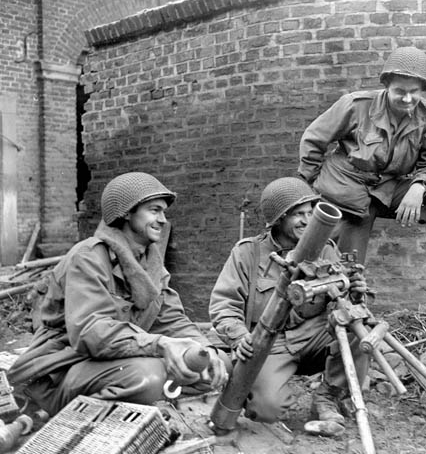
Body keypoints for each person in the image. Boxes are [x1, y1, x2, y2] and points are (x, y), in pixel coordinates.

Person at [8, 172, 229, 416]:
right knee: (148, 377)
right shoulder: (88, 257)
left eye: (163, 212)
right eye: (154, 210)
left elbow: (172, 320)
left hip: (111, 364)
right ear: (126, 212)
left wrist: (206, 351)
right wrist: (161, 344)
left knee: (216, 367)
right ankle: (66, 416)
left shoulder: (150, 263)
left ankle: (134, 402)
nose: (163, 220)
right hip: (62, 369)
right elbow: (91, 333)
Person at [298, 46, 426, 300]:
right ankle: (344, 321)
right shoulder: (355, 106)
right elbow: (314, 140)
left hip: (389, 189)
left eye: (414, 92)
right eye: (400, 91)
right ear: (387, 86)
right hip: (346, 192)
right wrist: (311, 185)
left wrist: (419, 187)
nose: (408, 99)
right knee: (347, 272)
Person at [208, 177, 369, 432]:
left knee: (359, 331)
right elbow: (224, 304)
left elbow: (343, 300)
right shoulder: (247, 253)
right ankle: (261, 393)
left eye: (310, 212)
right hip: (271, 344)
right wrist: (239, 337)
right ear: (279, 218)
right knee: (265, 410)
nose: (307, 221)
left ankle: (328, 398)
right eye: (298, 214)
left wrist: (355, 295)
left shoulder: (325, 249)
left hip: (313, 336)